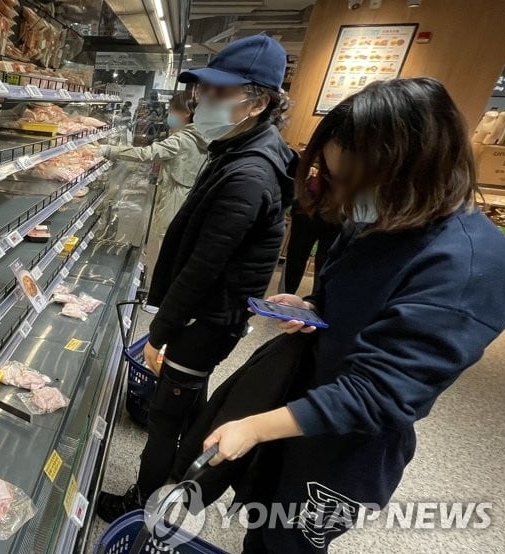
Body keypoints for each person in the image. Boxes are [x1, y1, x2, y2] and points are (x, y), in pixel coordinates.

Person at [204, 77, 505, 554]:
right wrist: (311, 308)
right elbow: (348, 295)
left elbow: (384, 392)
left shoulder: (472, 265)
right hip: (304, 410)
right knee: (261, 529)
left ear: (413, 168)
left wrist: (255, 427)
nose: (346, 198)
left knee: (296, 551)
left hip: (351, 445)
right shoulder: (385, 219)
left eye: (355, 181)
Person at [97, 34, 297, 522]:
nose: (203, 100)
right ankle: (181, 463)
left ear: (259, 102)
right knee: (189, 394)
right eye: (203, 89)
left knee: (166, 413)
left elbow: (205, 266)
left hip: (206, 317)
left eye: (220, 93)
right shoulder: (240, 148)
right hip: (214, 315)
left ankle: (142, 502)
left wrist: (161, 331)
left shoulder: (248, 173)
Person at [99, 92, 208, 280]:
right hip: (186, 194)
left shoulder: (182, 138)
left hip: (174, 195)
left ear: (185, 113)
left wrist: (109, 150)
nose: (169, 115)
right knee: (172, 245)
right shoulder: (201, 136)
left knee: (165, 246)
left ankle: (153, 293)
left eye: (172, 110)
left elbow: (149, 153)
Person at [280, 173, 342, 294]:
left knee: (297, 256)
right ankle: (314, 303)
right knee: (323, 260)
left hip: (312, 204)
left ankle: (284, 299)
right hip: (333, 208)